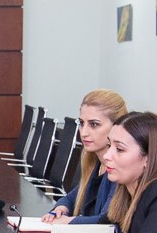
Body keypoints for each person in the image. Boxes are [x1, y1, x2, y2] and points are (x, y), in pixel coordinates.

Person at [40, 89, 128, 224]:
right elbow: (73, 197)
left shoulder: (121, 167)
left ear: (117, 127)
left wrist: (69, 222)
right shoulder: (95, 162)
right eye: (81, 123)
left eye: (94, 124)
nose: (84, 133)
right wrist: (61, 208)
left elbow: (106, 220)